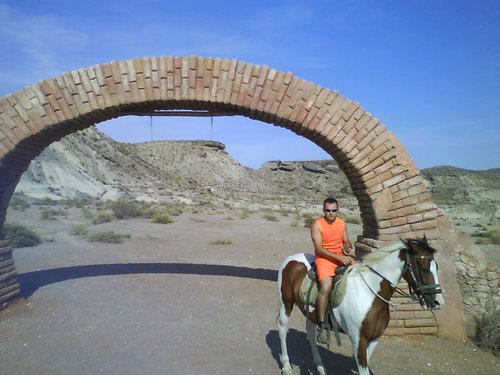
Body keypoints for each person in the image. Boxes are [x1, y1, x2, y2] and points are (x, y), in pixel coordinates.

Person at [311, 197, 355, 344]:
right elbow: (319, 249)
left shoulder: (341, 223)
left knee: (358, 276)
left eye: (334, 210)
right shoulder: (317, 225)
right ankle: (322, 324)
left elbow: (346, 241)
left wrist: (349, 249)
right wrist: (339, 257)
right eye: (328, 210)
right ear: (323, 210)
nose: (331, 213)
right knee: (326, 286)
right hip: (324, 259)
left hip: (340, 256)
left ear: (337, 210)